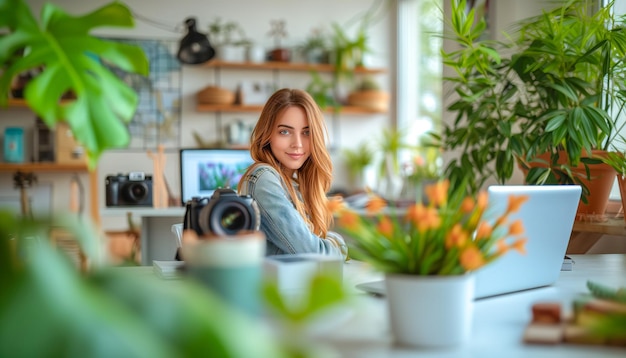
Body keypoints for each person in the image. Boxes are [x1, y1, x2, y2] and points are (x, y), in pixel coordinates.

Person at [238, 88, 348, 260]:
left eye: (306, 132)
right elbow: (312, 252)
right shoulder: (263, 178)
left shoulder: (292, 184)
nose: (297, 144)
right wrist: (339, 244)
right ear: (267, 135)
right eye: (285, 132)